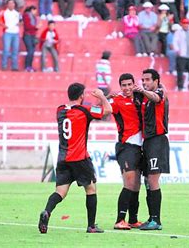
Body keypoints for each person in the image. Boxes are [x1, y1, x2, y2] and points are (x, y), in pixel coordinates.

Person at [38, 83, 112, 234]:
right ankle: (91, 226)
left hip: (63, 158)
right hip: (80, 158)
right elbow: (108, 111)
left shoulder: (60, 110)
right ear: (82, 96)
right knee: (91, 189)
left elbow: (84, 112)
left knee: (60, 192)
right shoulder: (85, 110)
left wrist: (102, 101)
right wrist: (103, 97)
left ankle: (47, 212)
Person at [133, 69, 169, 231]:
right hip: (147, 142)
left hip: (157, 141)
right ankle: (151, 217)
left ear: (156, 81)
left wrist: (144, 91)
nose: (145, 82)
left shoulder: (159, 92)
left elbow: (156, 97)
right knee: (147, 181)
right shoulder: (144, 98)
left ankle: (157, 220)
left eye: (148, 80)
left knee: (153, 180)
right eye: (143, 80)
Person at [110, 73, 144, 230]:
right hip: (126, 145)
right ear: (120, 86)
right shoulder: (117, 100)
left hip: (139, 147)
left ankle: (133, 219)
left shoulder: (140, 98)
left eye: (129, 84)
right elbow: (102, 110)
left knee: (137, 184)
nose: (127, 88)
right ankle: (119, 220)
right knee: (129, 183)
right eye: (124, 85)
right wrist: (104, 97)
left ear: (133, 84)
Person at [0, 0, 21, 71]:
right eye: (10, 3)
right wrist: (3, 25)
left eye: (13, 3)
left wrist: (19, 24)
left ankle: (14, 66)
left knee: (15, 50)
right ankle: (4, 65)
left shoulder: (17, 13)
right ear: (7, 5)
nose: (11, 5)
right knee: (6, 49)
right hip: (7, 33)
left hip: (16, 33)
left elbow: (21, 21)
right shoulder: (3, 12)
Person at [173, 18, 189, 91]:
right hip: (182, 55)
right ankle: (180, 86)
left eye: (187, 24)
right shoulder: (178, 32)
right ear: (182, 24)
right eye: (185, 24)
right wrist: (177, 50)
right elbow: (175, 42)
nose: (186, 25)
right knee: (180, 71)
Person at [22, 5, 40, 72]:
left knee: (32, 51)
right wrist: (36, 27)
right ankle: (27, 66)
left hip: (32, 35)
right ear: (32, 10)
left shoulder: (34, 17)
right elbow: (27, 26)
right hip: (28, 35)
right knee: (30, 51)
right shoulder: (26, 16)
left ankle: (29, 66)